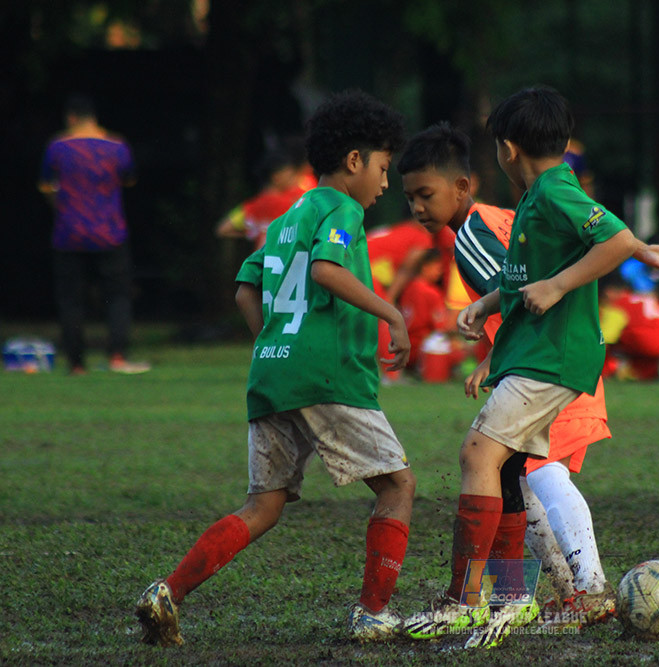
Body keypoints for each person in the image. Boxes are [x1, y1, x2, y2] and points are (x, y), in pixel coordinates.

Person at [401, 88, 659, 650]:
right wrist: (489, 304)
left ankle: (467, 599)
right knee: (508, 471)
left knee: (478, 455)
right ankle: (512, 596)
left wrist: (562, 284)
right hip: (535, 355)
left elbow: (610, 238)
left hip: (549, 357)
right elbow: (541, 264)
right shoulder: (534, 197)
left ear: (507, 149)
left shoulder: (553, 188)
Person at [134, 90, 413, 646]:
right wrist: (392, 314)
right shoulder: (342, 209)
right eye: (383, 168)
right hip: (327, 376)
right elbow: (329, 273)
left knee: (263, 505)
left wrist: (273, 342)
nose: (385, 183)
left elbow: (245, 288)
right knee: (398, 486)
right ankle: (372, 613)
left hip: (273, 374)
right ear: (355, 161)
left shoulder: (287, 217)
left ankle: (168, 592)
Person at [38, 94, 149, 375]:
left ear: (71, 117)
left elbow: (45, 185)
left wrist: (59, 204)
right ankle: (117, 356)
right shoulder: (117, 146)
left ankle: (76, 364)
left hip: (68, 233)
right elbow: (129, 179)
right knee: (118, 296)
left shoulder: (57, 147)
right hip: (109, 231)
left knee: (71, 299)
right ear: (94, 117)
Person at [215, 149, 306, 251]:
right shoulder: (291, 203)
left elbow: (223, 229)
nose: (294, 180)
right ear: (276, 177)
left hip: (261, 263)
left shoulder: (253, 206)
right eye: (290, 176)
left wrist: (253, 232)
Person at [598, 271, 659, 381]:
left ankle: (609, 369)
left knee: (611, 338)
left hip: (643, 340)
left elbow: (605, 340)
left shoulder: (617, 305)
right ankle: (647, 372)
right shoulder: (642, 297)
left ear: (608, 292)